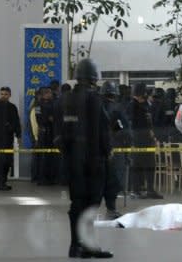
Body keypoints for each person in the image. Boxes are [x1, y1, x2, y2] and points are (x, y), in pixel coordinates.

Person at [54, 59, 113, 259]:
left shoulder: (63, 99)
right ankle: (89, 245)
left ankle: (74, 246)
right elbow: (102, 130)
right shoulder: (94, 99)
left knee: (76, 203)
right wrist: (106, 153)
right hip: (93, 161)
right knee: (91, 204)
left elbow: (58, 133)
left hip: (72, 162)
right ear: (93, 78)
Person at [101, 81, 132, 220]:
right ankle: (111, 209)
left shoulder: (94, 107)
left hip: (97, 150)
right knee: (114, 179)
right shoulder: (116, 109)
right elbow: (125, 131)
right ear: (115, 94)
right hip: (115, 149)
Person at [127, 83, 163, 199]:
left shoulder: (145, 105)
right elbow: (131, 124)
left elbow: (148, 123)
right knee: (137, 166)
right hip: (137, 140)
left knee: (150, 165)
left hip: (147, 140)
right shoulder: (132, 106)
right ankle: (135, 191)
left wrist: (153, 137)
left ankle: (150, 190)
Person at [0, 87, 21, 191]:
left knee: (7, 161)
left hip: (8, 138)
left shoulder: (12, 107)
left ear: (10, 95)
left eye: (5, 94)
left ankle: (3, 181)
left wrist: (19, 135)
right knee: (0, 161)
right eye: (1, 94)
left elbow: (16, 122)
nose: (3, 96)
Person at [36, 87, 57, 185]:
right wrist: (48, 119)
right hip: (44, 133)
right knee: (43, 157)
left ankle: (50, 178)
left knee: (51, 157)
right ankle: (42, 178)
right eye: (48, 93)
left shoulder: (53, 104)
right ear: (44, 94)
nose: (50, 95)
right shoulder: (38, 105)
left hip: (51, 133)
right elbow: (39, 119)